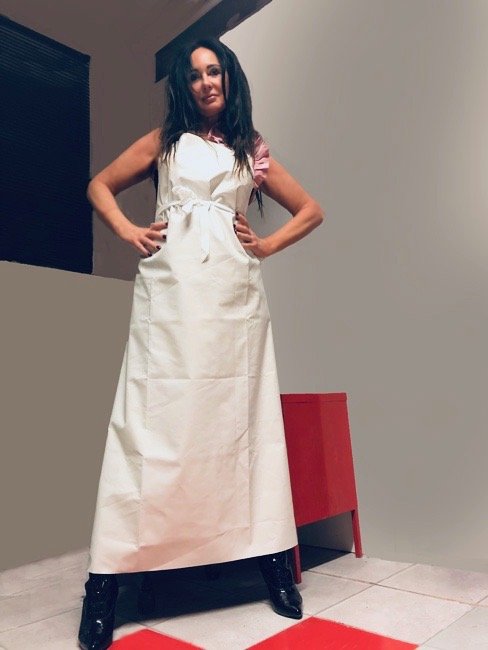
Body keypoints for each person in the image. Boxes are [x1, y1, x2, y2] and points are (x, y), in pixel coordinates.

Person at [78, 37, 324, 650]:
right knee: (150, 422)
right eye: (194, 75)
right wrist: (129, 230)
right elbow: (99, 185)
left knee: (243, 423)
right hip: (171, 293)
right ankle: (103, 588)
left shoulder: (250, 149)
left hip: (234, 299)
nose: (206, 82)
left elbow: (311, 210)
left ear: (229, 79)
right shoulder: (164, 141)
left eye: (215, 71)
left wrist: (265, 245)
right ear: (183, 87)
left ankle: (272, 563)